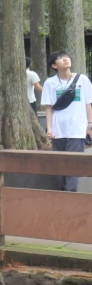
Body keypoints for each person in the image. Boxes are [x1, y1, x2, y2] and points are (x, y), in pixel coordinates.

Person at [41, 50, 92, 191]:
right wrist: (49, 128)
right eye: (60, 58)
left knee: (74, 163)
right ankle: (62, 192)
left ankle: (71, 194)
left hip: (77, 129)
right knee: (60, 163)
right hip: (58, 129)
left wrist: (90, 125)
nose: (65, 59)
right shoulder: (50, 83)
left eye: (66, 57)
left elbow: (88, 104)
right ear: (54, 65)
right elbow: (49, 107)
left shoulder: (82, 80)